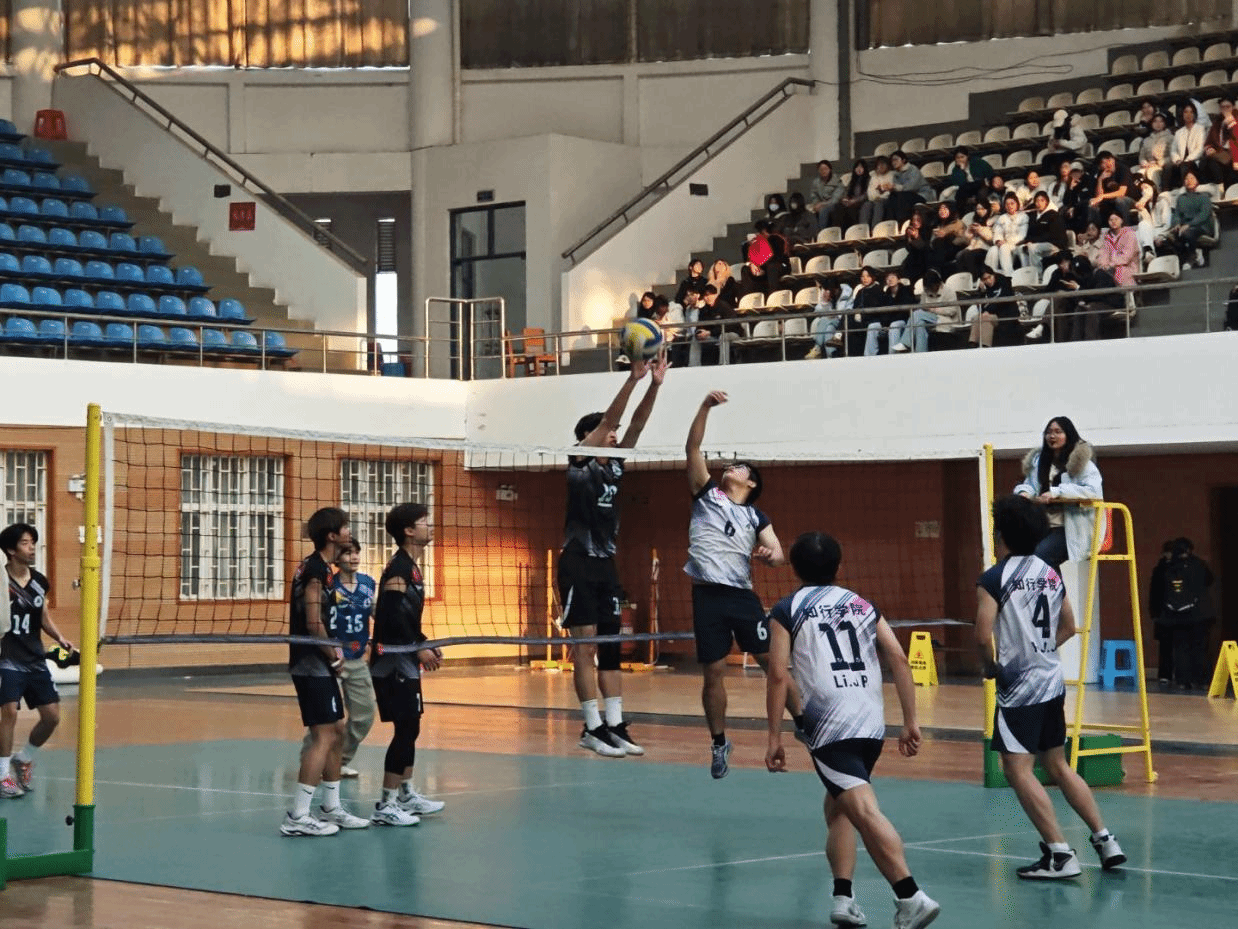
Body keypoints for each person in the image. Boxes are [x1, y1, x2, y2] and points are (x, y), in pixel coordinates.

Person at [765, 531, 939, 929]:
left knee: (862, 809)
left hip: (830, 725)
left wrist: (774, 737)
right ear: (839, 567)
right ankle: (843, 898)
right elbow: (898, 657)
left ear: (794, 569)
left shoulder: (787, 609)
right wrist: (911, 721)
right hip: (870, 722)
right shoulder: (862, 604)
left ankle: (910, 896)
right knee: (839, 807)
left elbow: (777, 675)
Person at [976, 495, 1126, 880]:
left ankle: (1060, 854)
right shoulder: (1049, 572)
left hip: (1019, 688)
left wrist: (991, 667)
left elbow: (981, 635)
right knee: (1057, 764)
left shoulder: (994, 578)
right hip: (1051, 681)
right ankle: (1106, 840)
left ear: (1000, 534)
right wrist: (1041, 650)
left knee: (1017, 768)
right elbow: (1069, 627)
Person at [685, 390, 804, 779]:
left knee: (772, 663)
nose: (729, 467)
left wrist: (771, 556)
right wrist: (704, 407)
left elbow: (780, 553)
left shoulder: (756, 516)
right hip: (706, 596)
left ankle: (804, 722)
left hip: (741, 597)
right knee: (714, 671)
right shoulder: (706, 495)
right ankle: (719, 742)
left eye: (738, 466)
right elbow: (693, 447)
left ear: (750, 482)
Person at [560, 355, 668, 757]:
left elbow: (636, 423)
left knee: (610, 647)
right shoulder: (579, 459)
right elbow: (612, 420)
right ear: (587, 437)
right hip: (577, 562)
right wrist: (632, 380)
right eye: (607, 432)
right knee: (585, 648)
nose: (614, 435)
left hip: (606, 564)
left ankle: (615, 724)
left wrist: (654, 385)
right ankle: (591, 727)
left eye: (614, 433)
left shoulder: (617, 466)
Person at [282, 507, 369, 836]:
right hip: (311, 663)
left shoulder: (324, 569)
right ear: (332, 536)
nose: (350, 532)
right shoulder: (316, 570)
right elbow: (313, 622)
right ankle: (297, 816)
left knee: (337, 731)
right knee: (323, 736)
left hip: (319, 662)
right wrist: (334, 656)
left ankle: (331, 807)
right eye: (346, 528)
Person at [368, 502, 447, 825]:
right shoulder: (400, 568)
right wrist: (417, 648)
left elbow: (404, 617)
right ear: (409, 531)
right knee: (405, 727)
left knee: (411, 726)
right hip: (392, 661)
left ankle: (405, 794)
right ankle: (386, 805)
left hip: (404, 657)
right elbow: (388, 616)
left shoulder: (410, 566)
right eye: (425, 522)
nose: (431, 526)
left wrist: (423, 642)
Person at [0, 523, 72, 799]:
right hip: (7, 657)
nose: (32, 548)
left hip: (34, 659)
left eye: (33, 543)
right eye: (26, 543)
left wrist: (60, 637)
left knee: (52, 717)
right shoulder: (1, 581)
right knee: (9, 712)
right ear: (11, 550)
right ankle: (3, 776)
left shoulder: (40, 581)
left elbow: (43, 617)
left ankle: (24, 758)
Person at [299, 538, 376, 779]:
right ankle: (312, 760)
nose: (353, 557)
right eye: (347, 553)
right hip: (331, 658)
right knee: (326, 719)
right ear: (337, 558)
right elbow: (316, 618)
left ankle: (339, 760)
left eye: (356, 553)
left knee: (365, 715)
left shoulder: (368, 584)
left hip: (357, 659)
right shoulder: (328, 584)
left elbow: (380, 614)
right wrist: (329, 651)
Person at [1013, 417, 1102, 569]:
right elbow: (1030, 485)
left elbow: (1092, 491)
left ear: (1068, 435)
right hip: (1044, 523)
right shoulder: (1040, 461)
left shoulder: (1082, 463)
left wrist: (1056, 492)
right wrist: (1024, 493)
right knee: (1024, 557)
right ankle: (1056, 586)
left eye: (1058, 432)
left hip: (1071, 527)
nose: (1052, 436)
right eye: (1048, 432)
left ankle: (1055, 586)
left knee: (1040, 557)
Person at [1160, 537, 1216, 691]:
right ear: (1190, 549)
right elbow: (1210, 580)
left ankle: (1183, 681)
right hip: (1200, 614)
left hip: (1176, 616)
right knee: (1201, 648)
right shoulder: (1199, 564)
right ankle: (1203, 680)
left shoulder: (1169, 566)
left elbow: (1164, 589)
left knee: (1180, 649)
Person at [894, 269, 961, 354]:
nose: (930, 289)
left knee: (916, 314)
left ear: (938, 283)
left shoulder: (949, 292)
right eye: (928, 287)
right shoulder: (926, 292)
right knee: (919, 324)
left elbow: (952, 311)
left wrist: (933, 309)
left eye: (932, 286)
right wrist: (926, 309)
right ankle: (921, 353)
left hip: (945, 320)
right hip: (927, 319)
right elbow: (922, 307)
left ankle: (905, 343)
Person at [1159, 170, 1214, 270]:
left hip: (1202, 226)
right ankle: (1194, 253)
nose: (1189, 180)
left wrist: (1189, 224)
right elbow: (1177, 214)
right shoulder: (1181, 198)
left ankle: (1192, 257)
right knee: (1170, 238)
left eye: (1192, 178)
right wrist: (1176, 223)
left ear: (1197, 181)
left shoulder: (1204, 196)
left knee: (1187, 232)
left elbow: (1204, 215)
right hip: (1184, 226)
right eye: (1186, 179)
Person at [1148, 540, 1175, 687]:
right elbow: (1154, 593)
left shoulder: (1160, 569)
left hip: (1165, 613)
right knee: (1166, 646)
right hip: (1165, 613)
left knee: (1169, 646)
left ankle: (1168, 674)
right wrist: (1154, 612)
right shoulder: (1160, 569)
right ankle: (1165, 674)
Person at [966, 268, 1015, 349]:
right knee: (976, 317)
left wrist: (988, 311)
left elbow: (1003, 301)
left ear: (994, 275)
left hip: (1004, 314)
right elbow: (980, 307)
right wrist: (982, 292)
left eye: (989, 277)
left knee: (986, 318)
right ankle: (973, 344)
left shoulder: (1004, 283)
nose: (988, 281)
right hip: (990, 314)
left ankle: (985, 346)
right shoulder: (986, 289)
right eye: (985, 279)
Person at [889, 151, 934, 223]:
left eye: (896, 159)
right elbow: (897, 190)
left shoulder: (913, 169)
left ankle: (904, 222)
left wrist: (895, 187)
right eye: (892, 160)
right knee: (892, 197)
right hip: (906, 196)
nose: (893, 162)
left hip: (921, 195)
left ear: (903, 160)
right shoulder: (896, 174)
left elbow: (912, 187)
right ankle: (893, 223)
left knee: (902, 197)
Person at [1202, 96, 1237, 186]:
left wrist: (1231, 124)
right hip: (1220, 153)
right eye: (1222, 107)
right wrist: (1209, 149)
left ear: (1233, 107)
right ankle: (1218, 187)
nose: (1225, 109)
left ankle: (1223, 188)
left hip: (1234, 153)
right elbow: (1209, 141)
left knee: (1216, 162)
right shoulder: (1217, 123)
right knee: (1205, 161)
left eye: (1228, 107)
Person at [949, 147, 994, 212]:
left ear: (967, 156)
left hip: (982, 186)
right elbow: (960, 184)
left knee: (981, 193)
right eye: (957, 158)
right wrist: (962, 170)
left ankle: (985, 211)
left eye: (962, 157)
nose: (960, 159)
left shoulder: (977, 162)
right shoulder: (956, 170)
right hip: (968, 188)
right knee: (959, 196)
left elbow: (989, 173)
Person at [808, 159, 845, 231]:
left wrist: (822, 204)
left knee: (824, 211)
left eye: (825, 169)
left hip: (835, 205)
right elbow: (814, 195)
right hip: (820, 204)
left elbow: (835, 199)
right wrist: (816, 203)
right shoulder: (816, 182)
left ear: (830, 169)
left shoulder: (837, 181)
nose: (823, 171)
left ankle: (821, 232)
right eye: (821, 169)